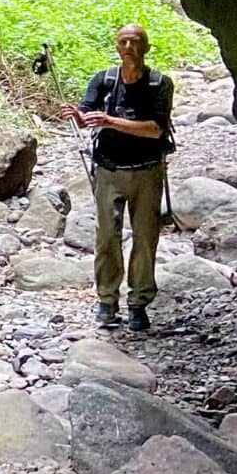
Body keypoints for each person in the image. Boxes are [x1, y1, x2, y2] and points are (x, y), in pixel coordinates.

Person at [70, 23, 173, 332]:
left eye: (135, 41)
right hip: (109, 169)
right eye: (123, 41)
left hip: (147, 170)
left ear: (146, 47)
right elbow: (87, 112)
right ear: (116, 46)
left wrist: (109, 120)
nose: (129, 46)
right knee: (106, 237)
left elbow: (155, 128)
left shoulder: (160, 84)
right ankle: (107, 300)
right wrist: (78, 116)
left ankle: (139, 303)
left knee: (145, 238)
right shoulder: (104, 80)